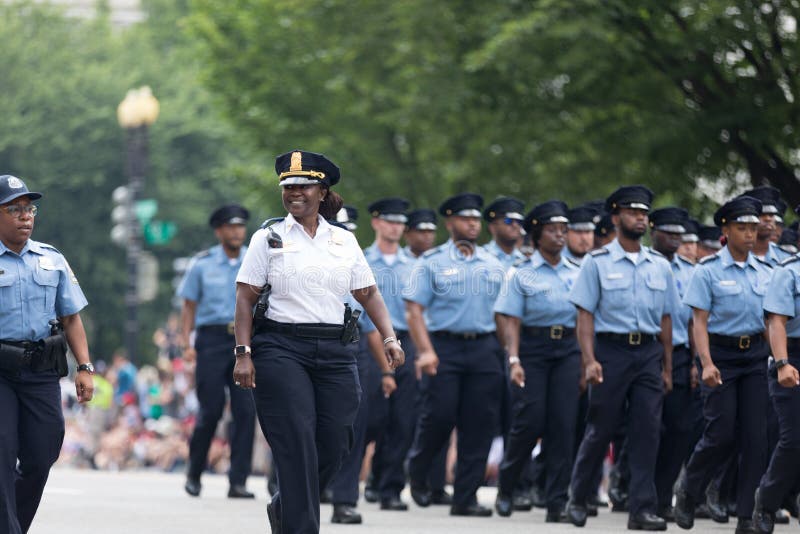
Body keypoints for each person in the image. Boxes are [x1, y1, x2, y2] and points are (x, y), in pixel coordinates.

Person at [232, 150, 404, 534]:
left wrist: (389, 336)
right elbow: (245, 297)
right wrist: (243, 353)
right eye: (288, 187)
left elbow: (369, 293)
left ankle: (285, 505)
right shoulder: (268, 238)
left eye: (303, 186)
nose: (294, 192)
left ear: (322, 192)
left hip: (336, 351)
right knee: (296, 441)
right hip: (280, 348)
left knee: (338, 439)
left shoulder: (342, 241)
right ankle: (301, 526)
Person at [566, 185, 676, 531]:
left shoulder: (659, 266)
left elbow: (666, 320)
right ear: (616, 218)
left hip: (647, 353)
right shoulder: (596, 263)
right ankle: (579, 496)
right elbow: (584, 315)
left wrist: (667, 367)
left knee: (648, 430)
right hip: (610, 351)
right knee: (602, 428)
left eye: (644, 213)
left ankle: (641, 508)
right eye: (633, 212)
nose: (640, 217)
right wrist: (588, 360)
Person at [0, 174, 94, 534]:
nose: (25, 216)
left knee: (42, 456)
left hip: (41, 370)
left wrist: (84, 367)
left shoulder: (51, 259)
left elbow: (71, 317)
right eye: (14, 210)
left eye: (29, 209)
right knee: (3, 455)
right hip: (1, 373)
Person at [673, 196, 773, 534]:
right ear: (726, 231)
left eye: (753, 228)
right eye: (741, 228)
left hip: (756, 357)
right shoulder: (708, 270)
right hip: (721, 356)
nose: (749, 234)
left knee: (756, 438)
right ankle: (689, 489)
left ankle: (747, 515)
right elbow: (698, 322)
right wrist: (706, 364)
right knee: (720, 433)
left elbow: (771, 321)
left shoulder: (766, 271)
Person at [405, 193, 506, 517]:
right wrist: (425, 352)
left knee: (479, 424)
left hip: (484, 348)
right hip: (444, 348)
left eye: (476, 219)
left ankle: (466, 497)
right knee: (440, 417)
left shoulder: (494, 263)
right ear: (450, 223)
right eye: (465, 219)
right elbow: (414, 312)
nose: (472, 224)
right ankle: (419, 471)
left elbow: (504, 314)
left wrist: (509, 354)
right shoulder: (432, 262)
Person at [493, 200, 581, 522]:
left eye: (563, 230)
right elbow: (510, 319)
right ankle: (508, 486)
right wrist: (513, 358)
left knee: (563, 424)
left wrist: (588, 359)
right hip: (533, 349)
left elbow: (586, 318)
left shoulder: (578, 272)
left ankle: (557, 501)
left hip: (568, 350)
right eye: (552, 230)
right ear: (537, 235)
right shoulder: (522, 273)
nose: (560, 236)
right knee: (531, 421)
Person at [177, 203, 256, 499]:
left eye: (240, 226)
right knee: (209, 411)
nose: (236, 232)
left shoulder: (256, 260)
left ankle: (239, 481)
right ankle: (194, 473)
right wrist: (186, 345)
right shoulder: (202, 264)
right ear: (219, 231)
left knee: (245, 412)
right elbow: (188, 307)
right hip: (211, 342)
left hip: (246, 341)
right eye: (230, 227)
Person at [648, 207, 702, 521]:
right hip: (641, 351)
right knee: (646, 428)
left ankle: (661, 495)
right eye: (666, 232)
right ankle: (638, 492)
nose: (673, 238)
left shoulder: (691, 272)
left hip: (681, 355)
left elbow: (696, 320)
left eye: (677, 234)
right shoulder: (645, 265)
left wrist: (697, 362)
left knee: (680, 429)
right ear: (653, 232)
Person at [753, 227, 800, 534]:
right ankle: (766, 502)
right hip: (793, 356)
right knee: (795, 439)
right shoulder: (788, 273)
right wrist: (782, 363)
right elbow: (776, 323)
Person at [482, 197, 526, 269]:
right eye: (508, 221)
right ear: (492, 227)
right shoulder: (480, 257)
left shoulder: (525, 262)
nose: (515, 225)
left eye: (519, 221)